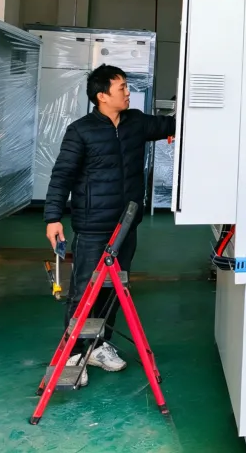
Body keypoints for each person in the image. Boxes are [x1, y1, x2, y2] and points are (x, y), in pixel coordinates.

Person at [43, 64, 176, 385]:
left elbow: (174, 123)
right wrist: (53, 218)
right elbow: (62, 175)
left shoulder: (136, 123)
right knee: (83, 291)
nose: (128, 93)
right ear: (102, 96)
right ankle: (75, 353)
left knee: (114, 288)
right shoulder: (81, 131)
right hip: (93, 224)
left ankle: (99, 345)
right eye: (122, 88)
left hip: (126, 225)